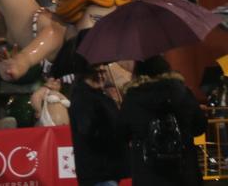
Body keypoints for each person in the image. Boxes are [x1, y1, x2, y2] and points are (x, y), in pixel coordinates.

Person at [117, 56, 206, 186]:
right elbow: (200, 127)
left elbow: (122, 132)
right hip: (184, 170)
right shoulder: (183, 93)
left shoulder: (132, 98)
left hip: (149, 172)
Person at [68, 58, 128, 186]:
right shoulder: (82, 98)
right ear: (85, 74)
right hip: (98, 172)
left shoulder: (101, 97)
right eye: (96, 72)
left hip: (107, 170)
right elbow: (87, 129)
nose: (101, 76)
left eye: (103, 72)